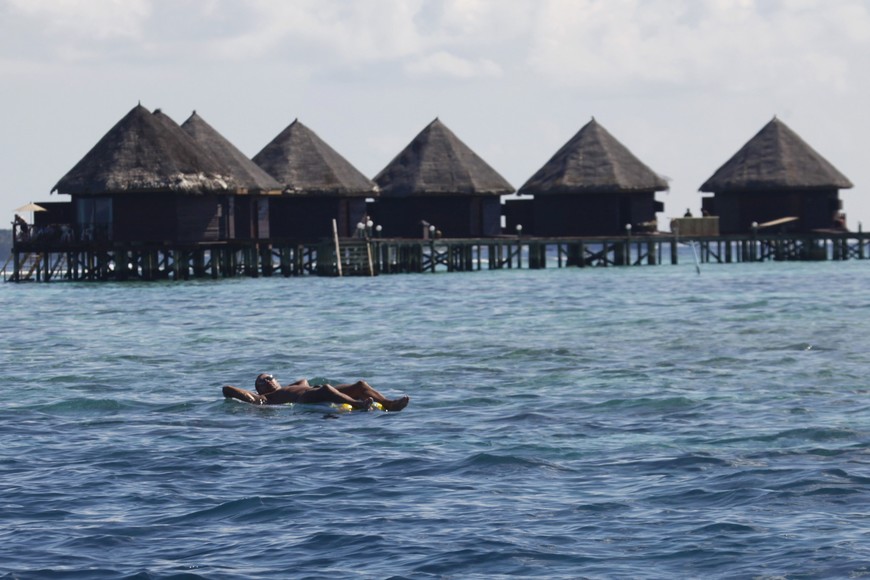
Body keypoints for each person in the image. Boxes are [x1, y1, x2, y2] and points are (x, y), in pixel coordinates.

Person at [222, 373, 410, 411]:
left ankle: (389, 404)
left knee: (360, 384)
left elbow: (303, 379)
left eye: (270, 377)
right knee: (327, 388)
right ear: (260, 388)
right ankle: (359, 405)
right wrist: (252, 396)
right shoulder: (266, 398)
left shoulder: (296, 383)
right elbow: (227, 389)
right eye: (264, 380)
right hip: (303, 398)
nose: (270, 380)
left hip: (313, 391)